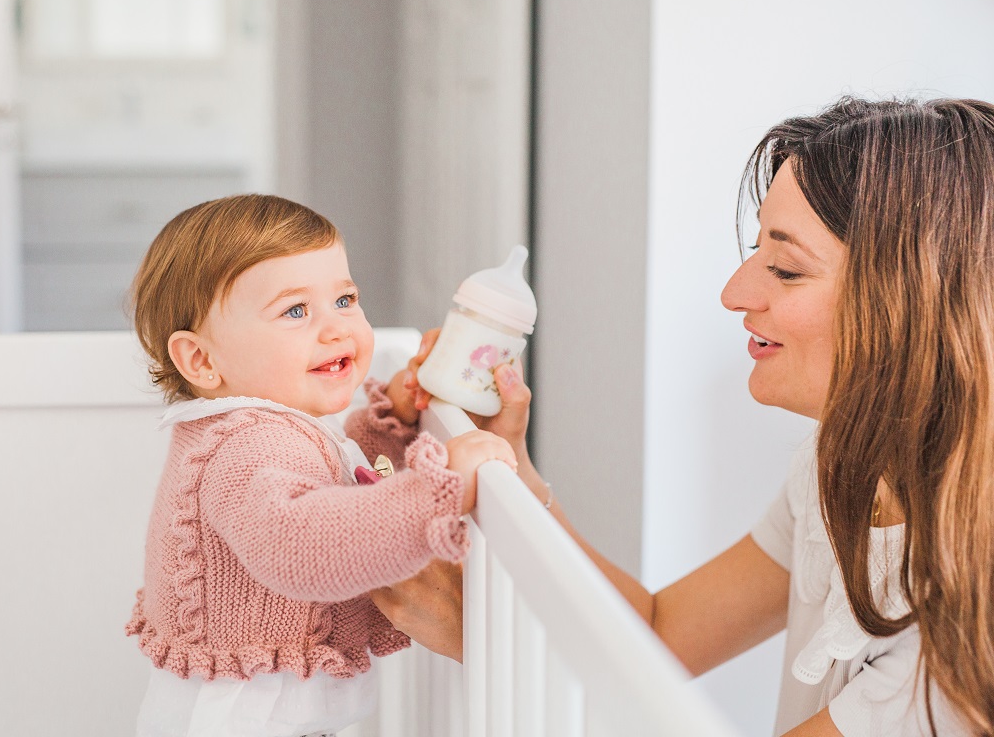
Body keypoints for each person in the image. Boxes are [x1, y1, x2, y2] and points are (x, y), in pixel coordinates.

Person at [375, 98, 994, 736]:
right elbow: (657, 633)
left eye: (784, 269)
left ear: (916, 305)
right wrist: (513, 464)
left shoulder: (967, 614)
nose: (734, 293)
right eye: (757, 251)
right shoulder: (838, 465)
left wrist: (492, 634)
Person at [124, 194, 516, 737]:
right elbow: (301, 539)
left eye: (345, 299)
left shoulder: (269, 427)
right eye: (295, 311)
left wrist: (392, 424)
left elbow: (335, 475)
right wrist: (440, 491)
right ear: (202, 360)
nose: (336, 329)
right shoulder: (246, 444)